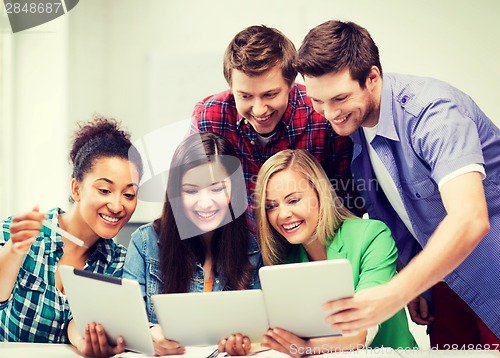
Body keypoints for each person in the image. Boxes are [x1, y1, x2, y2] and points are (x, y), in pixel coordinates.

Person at [295, 20, 500, 347]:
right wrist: (420, 285)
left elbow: (470, 218)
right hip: (447, 286)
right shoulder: (357, 127)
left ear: (372, 77)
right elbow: (408, 211)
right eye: (317, 101)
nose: (329, 113)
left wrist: (396, 291)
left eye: (339, 98)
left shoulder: (432, 114)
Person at [190, 25, 363, 249]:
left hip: (315, 247)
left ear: (291, 84)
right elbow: (194, 191)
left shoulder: (322, 117)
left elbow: (348, 198)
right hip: (239, 250)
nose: (259, 109)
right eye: (245, 96)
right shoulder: (209, 117)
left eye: (270, 94)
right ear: (231, 88)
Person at [0, 116, 144, 356]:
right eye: (105, 190)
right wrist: (14, 249)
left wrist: (84, 340)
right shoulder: (20, 234)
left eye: (129, 194)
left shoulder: (119, 262)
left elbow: (81, 322)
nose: (117, 206)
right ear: (77, 189)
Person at [254, 149, 417, 356]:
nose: (283, 214)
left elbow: (362, 329)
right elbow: (282, 336)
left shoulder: (372, 236)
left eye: (293, 200)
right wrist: (247, 345)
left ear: (319, 194)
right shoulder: (286, 261)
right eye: (271, 206)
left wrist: (305, 347)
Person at [123, 132, 262, 356]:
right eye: (191, 191)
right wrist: (150, 335)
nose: (205, 203)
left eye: (217, 189)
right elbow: (127, 323)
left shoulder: (253, 250)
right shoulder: (145, 242)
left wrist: (247, 344)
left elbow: (263, 334)